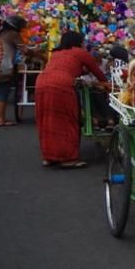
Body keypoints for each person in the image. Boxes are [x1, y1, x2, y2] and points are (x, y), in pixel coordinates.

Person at [35, 31, 110, 169]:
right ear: (78, 42)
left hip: (41, 83)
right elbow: (98, 72)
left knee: (47, 120)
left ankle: (49, 157)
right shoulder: (80, 52)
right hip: (62, 85)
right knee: (68, 120)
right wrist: (108, 86)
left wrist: (83, 72)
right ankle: (68, 158)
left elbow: (66, 68)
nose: (84, 44)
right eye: (83, 41)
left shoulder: (57, 53)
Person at [0, 16, 27, 125]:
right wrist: (37, 52)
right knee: (3, 92)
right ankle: (1, 120)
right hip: (2, 66)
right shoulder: (13, 34)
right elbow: (24, 49)